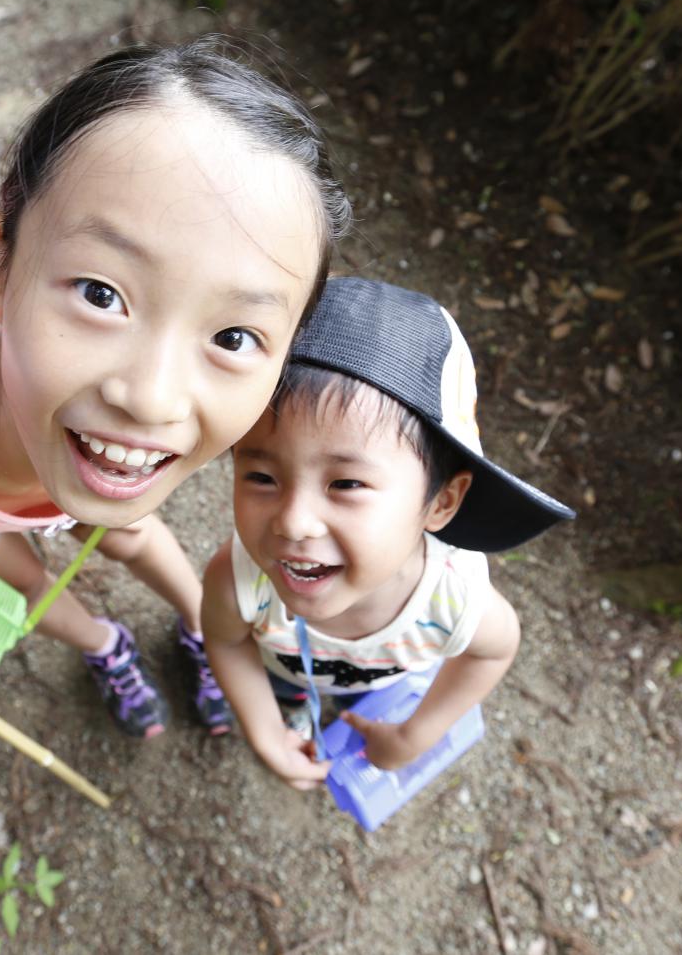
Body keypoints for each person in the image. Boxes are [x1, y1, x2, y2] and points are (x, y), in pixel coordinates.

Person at [0, 38, 351, 739]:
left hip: (56, 443)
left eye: (233, 337)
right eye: (101, 294)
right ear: (6, 252)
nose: (152, 399)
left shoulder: (100, 426)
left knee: (129, 531)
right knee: (25, 579)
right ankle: (103, 643)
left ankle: (203, 626)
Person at [201, 278, 575, 788]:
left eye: (346, 484)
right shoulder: (237, 580)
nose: (292, 521)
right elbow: (228, 643)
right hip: (279, 667)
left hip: (380, 675)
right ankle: (294, 707)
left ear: (441, 502)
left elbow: (494, 649)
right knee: (283, 690)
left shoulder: (453, 600)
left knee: (360, 700)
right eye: (262, 477)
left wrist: (414, 735)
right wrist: (265, 729)